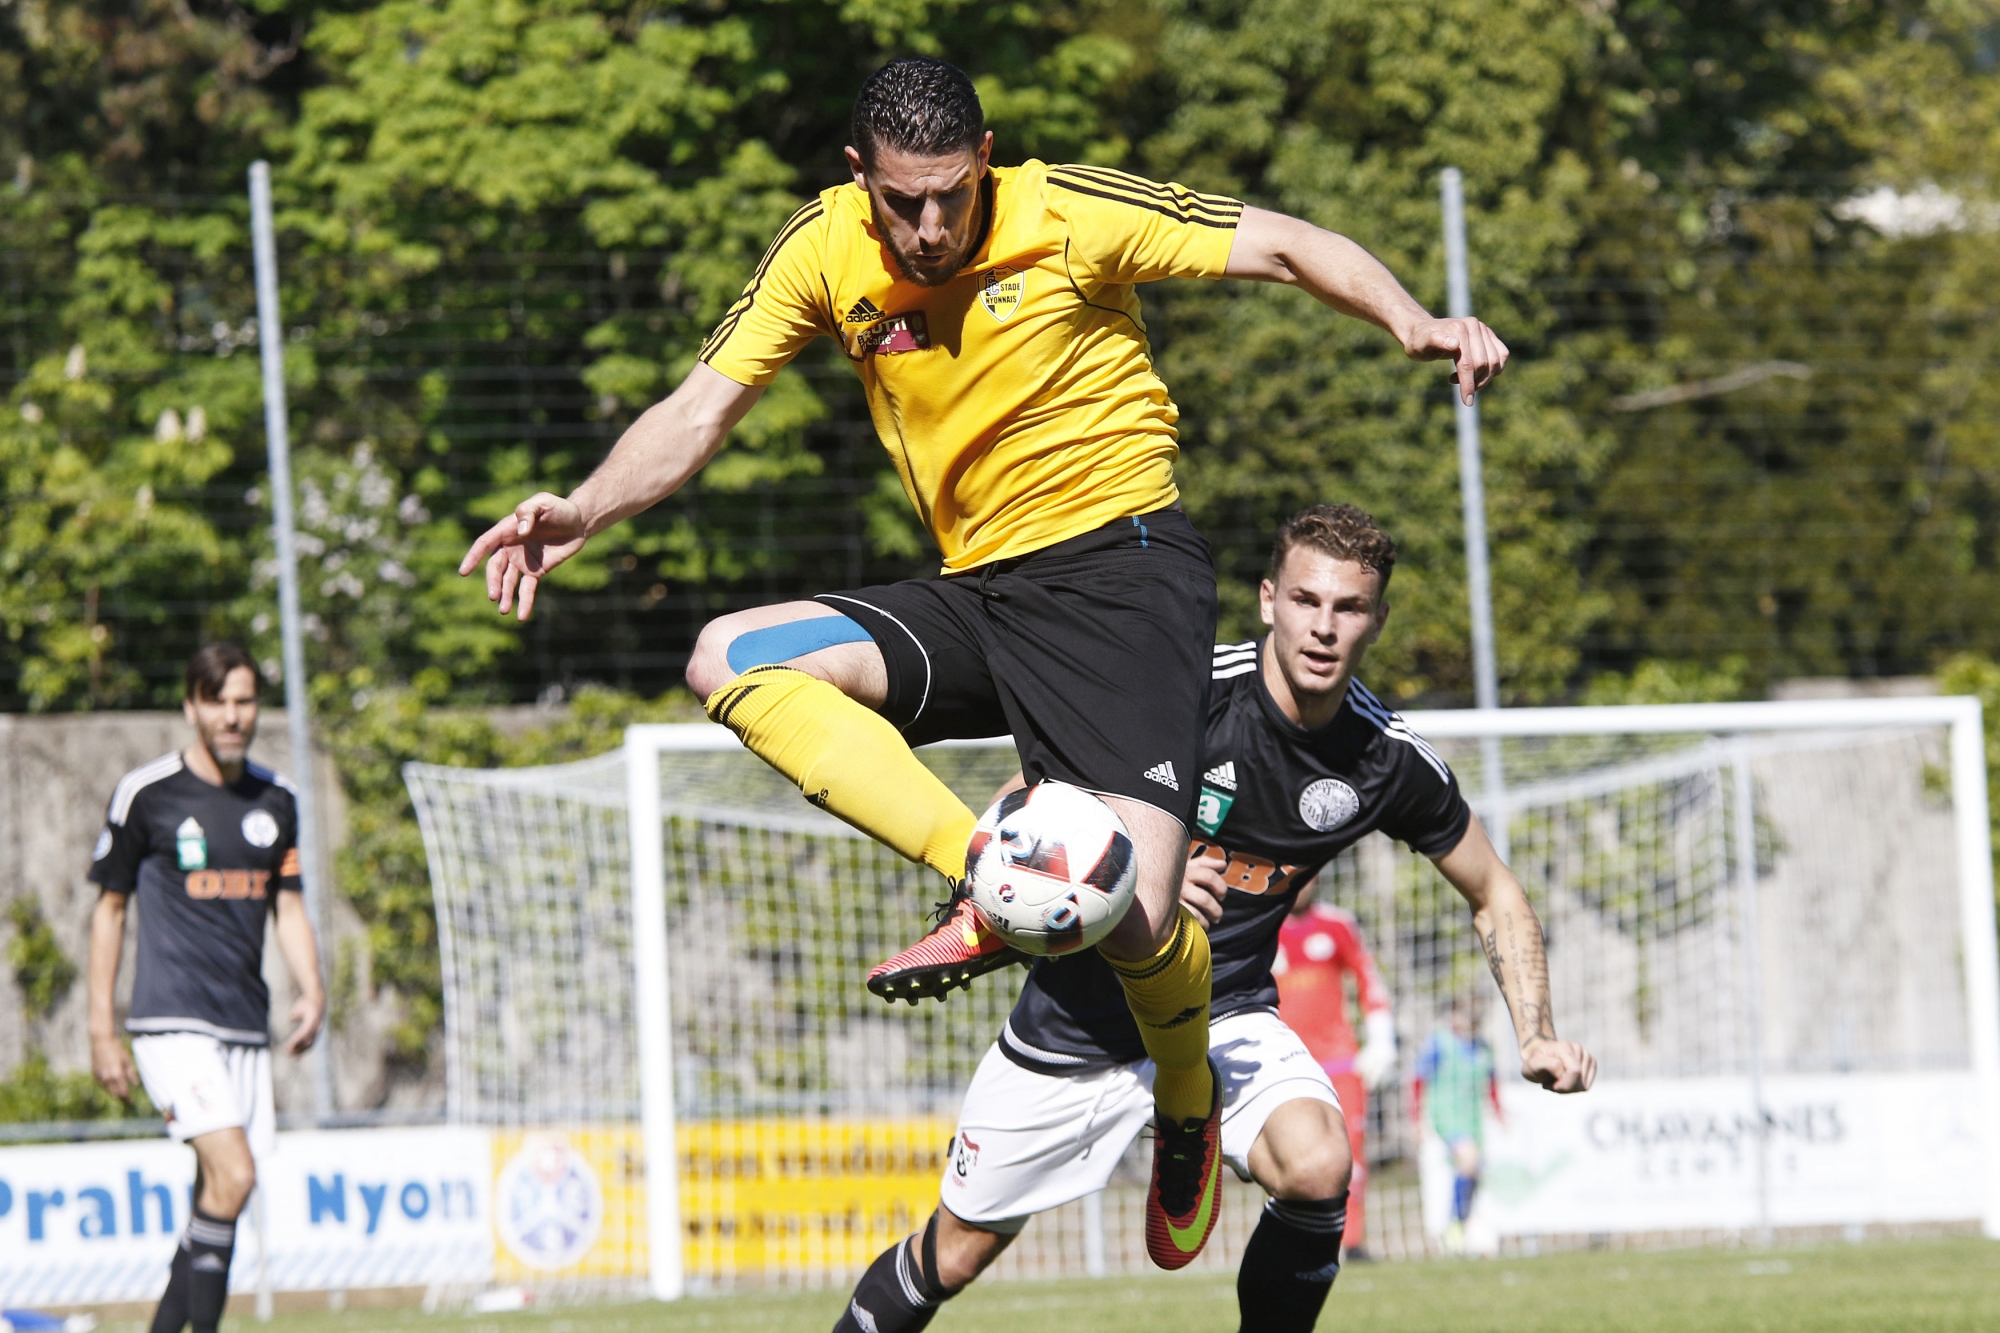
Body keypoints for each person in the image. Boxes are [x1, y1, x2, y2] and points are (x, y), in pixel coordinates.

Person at [459, 56, 1510, 1265]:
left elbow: (1280, 242)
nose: (927, 225)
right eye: (901, 201)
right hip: (981, 592)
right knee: (729, 656)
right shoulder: (821, 251)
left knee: (1137, 909)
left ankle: (1185, 1098)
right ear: (859, 177)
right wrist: (580, 512)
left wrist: (1411, 321)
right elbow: (700, 407)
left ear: (986, 160)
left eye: (949, 195)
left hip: (1123, 577)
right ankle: (983, 861)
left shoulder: (1066, 211)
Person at [829, 505, 1595, 1333]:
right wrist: (1138, 871)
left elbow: (1497, 891)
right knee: (953, 1255)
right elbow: (1032, 810)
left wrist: (1537, 1033)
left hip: (1224, 1016)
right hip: (1078, 1025)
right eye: (1306, 600)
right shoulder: (1180, 697)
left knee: (1318, 1163)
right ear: (1268, 599)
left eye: (1348, 608)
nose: (1323, 627)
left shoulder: (1386, 760)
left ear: (1377, 618)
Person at [86, 644, 326, 1333]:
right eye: (218, 700)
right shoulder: (147, 794)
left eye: (244, 700)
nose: (232, 715)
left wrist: (312, 989)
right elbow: (109, 910)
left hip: (245, 1025)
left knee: (215, 1198)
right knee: (236, 1175)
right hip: (172, 1023)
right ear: (192, 705)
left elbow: (288, 905)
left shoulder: (276, 800)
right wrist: (103, 1029)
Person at [1273, 877, 1395, 1259]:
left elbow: (1367, 977)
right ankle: (1297, 1238)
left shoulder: (1337, 925)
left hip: (1340, 1061)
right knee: (1292, 1156)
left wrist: (1381, 1037)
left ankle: (1352, 1240)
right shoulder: (1262, 927)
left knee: (1351, 1152)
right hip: (1286, 1063)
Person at [1413, 993, 1501, 1255]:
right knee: (1469, 1160)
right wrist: (1417, 1118)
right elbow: (1418, 1080)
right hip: (1446, 1114)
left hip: (1473, 1117)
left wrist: (1500, 1114)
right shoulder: (1439, 1043)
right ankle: (1455, 1224)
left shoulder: (1484, 1047)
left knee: (1473, 1170)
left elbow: (1492, 1083)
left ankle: (1461, 1223)